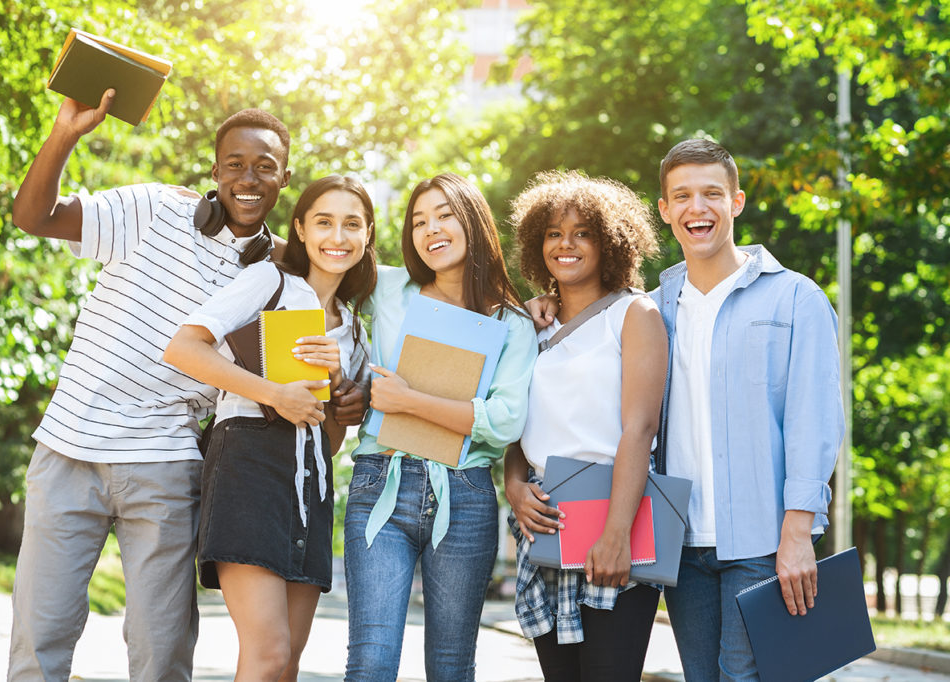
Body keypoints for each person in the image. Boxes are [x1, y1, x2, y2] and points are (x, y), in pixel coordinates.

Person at [8, 90, 358, 681]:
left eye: (265, 167)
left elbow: (342, 303)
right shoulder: (151, 208)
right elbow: (32, 217)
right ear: (215, 170)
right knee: (40, 640)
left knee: (163, 651)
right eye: (236, 165)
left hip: (169, 463)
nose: (249, 178)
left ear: (285, 180)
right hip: (70, 445)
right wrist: (65, 134)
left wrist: (344, 397)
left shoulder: (280, 273)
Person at [163, 175, 375, 681]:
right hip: (247, 466)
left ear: (368, 235)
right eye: (324, 222)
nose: (337, 237)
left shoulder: (355, 329)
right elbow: (183, 348)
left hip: (311, 486)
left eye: (352, 224)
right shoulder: (272, 283)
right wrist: (275, 393)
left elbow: (327, 440)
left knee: (288, 665)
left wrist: (338, 385)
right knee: (268, 654)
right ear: (299, 229)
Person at [651, 138, 843, 680]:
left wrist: (798, 533)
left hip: (762, 541)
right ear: (665, 211)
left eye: (712, 193)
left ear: (736, 201)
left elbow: (815, 423)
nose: (698, 208)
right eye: (682, 196)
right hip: (683, 544)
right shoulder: (654, 306)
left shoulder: (796, 299)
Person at [342, 172, 538, 682]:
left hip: (464, 494)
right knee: (371, 660)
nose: (431, 229)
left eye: (445, 215)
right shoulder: (388, 288)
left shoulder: (512, 323)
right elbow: (324, 252)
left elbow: (503, 422)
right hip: (379, 481)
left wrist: (409, 401)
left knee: (451, 667)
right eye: (419, 221)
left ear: (472, 221)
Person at [503, 171, 667, 681]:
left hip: (616, 510)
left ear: (611, 241)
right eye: (553, 232)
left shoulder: (634, 312)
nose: (566, 244)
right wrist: (512, 487)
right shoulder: (528, 325)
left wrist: (618, 531)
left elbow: (639, 429)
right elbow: (511, 419)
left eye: (583, 233)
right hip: (546, 514)